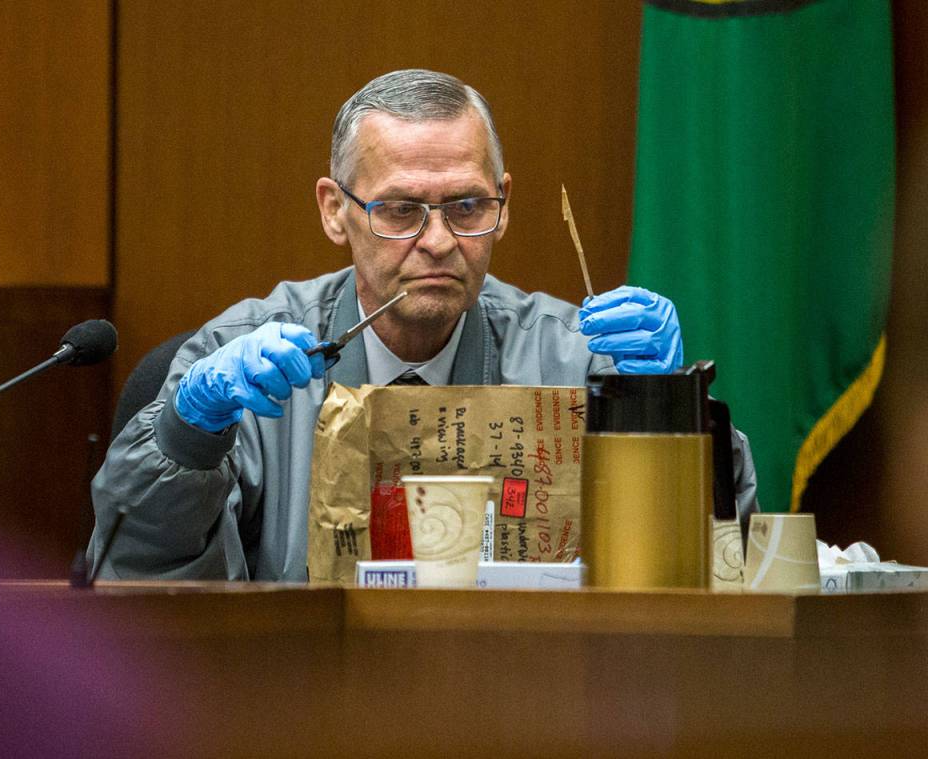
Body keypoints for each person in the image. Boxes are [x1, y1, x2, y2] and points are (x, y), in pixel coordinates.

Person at [89, 69, 757, 580]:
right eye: (402, 210)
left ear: (505, 204)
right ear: (333, 209)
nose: (439, 241)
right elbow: (137, 584)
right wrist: (186, 436)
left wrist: (670, 411)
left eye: (467, 206)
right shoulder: (247, 364)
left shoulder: (579, 361)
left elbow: (724, 563)